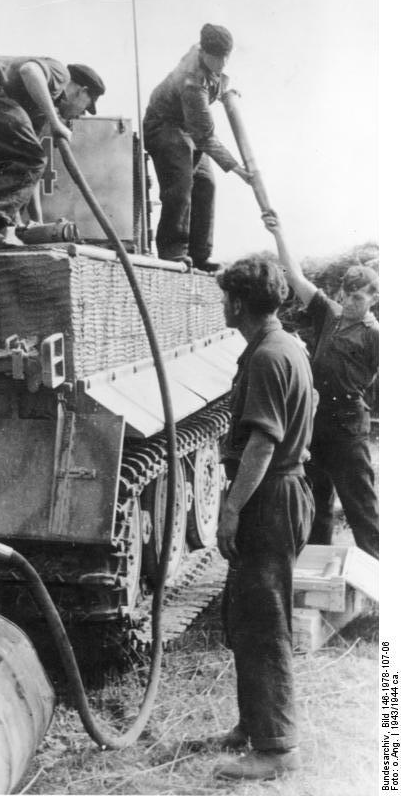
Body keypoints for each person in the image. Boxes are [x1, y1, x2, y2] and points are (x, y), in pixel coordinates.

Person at [212, 257, 315, 780]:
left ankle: (276, 749)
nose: (223, 304)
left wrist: (232, 508)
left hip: (270, 497)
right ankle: (254, 724)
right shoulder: (281, 346)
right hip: (278, 493)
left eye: (226, 297)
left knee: (264, 622)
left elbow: (263, 441)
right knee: (247, 616)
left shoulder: (268, 357)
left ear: (238, 303)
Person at [262, 211, 379, 559]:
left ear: (374, 299)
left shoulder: (375, 335)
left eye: (361, 298)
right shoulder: (328, 313)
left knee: (362, 508)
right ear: (341, 291)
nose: (352, 301)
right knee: (314, 502)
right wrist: (279, 233)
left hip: (347, 424)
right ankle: (316, 573)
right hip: (316, 421)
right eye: (349, 294)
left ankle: (381, 589)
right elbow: (295, 276)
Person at [0, 56, 105, 247]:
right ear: (81, 91)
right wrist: (56, 122)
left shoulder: (37, 110)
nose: (81, 114)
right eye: (87, 105)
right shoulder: (61, 74)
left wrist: (37, 221)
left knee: (5, 165)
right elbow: (29, 71)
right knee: (32, 158)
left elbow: (27, 172)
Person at [143, 23, 252, 269]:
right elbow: (205, 136)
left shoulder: (207, 58)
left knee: (206, 184)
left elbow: (216, 80)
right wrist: (237, 169)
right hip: (164, 125)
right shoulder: (191, 81)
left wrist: (226, 90)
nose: (223, 64)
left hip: (189, 129)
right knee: (181, 186)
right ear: (204, 53)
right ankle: (173, 252)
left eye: (226, 57)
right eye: (217, 58)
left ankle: (200, 255)